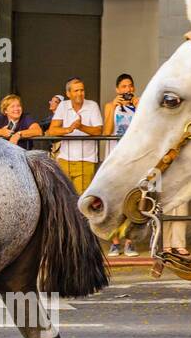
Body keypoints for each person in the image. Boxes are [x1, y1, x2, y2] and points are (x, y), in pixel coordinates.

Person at [103, 74, 140, 257]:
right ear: (118, 89)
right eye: (124, 87)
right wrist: (115, 107)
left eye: (130, 86)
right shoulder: (110, 106)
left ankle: (130, 242)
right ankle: (115, 242)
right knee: (114, 203)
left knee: (132, 202)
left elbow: (143, 126)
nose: (127, 90)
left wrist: (137, 105)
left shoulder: (140, 103)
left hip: (133, 159)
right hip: (115, 159)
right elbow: (107, 130)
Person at [47, 77, 104, 194]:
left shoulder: (92, 105)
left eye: (82, 90)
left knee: (80, 199)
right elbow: (52, 130)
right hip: (64, 159)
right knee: (64, 196)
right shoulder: (63, 106)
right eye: (76, 91)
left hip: (86, 160)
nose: (80, 93)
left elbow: (98, 131)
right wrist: (69, 129)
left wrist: (80, 126)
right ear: (68, 93)